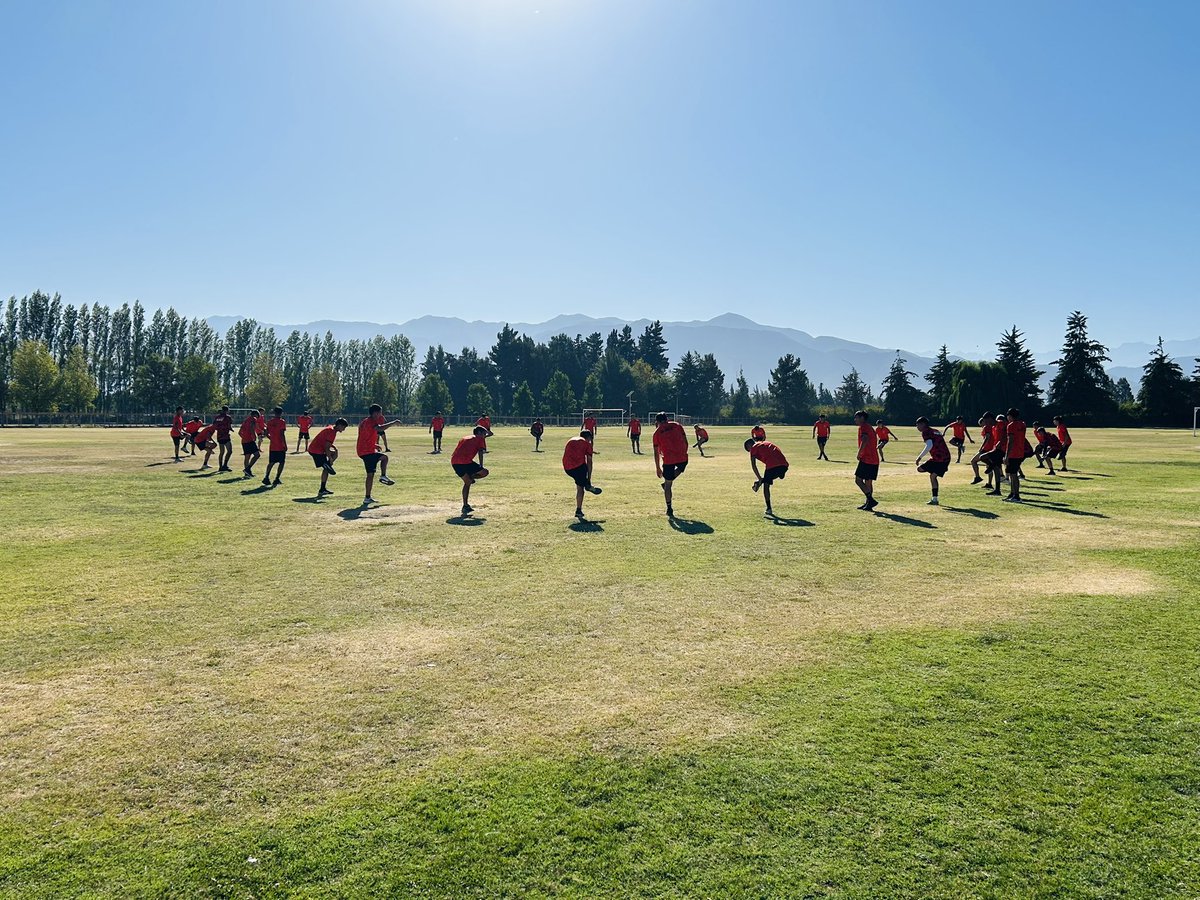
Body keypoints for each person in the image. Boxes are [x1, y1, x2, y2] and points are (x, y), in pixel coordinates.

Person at [358, 404, 402, 504]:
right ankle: (382, 477)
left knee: (373, 471)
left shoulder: (364, 421)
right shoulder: (371, 421)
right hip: (367, 452)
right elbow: (380, 429)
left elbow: (364, 436)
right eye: (380, 412)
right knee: (382, 460)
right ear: (375, 413)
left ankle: (367, 497)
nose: (381, 415)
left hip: (365, 450)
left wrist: (374, 445)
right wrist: (393, 422)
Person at [652, 413, 689, 518]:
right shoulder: (677, 425)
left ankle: (669, 508)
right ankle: (668, 481)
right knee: (682, 466)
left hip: (668, 459)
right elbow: (685, 441)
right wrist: (685, 451)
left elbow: (656, 452)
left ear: (657, 422)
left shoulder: (657, 433)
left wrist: (658, 467)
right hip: (682, 456)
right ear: (667, 419)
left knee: (668, 485)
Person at [563, 430, 603, 519]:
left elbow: (575, 450)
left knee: (579, 482)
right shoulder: (587, 444)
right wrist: (589, 478)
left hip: (567, 468)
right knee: (580, 489)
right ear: (588, 438)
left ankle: (586, 484)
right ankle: (579, 509)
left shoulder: (571, 440)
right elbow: (589, 462)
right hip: (579, 467)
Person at [452, 426, 490, 516]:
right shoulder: (480, 438)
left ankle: (465, 505)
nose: (485, 435)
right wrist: (481, 465)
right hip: (466, 462)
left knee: (468, 482)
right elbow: (480, 452)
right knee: (485, 472)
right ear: (480, 433)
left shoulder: (464, 438)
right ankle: (471, 477)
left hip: (455, 462)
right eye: (484, 433)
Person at [745, 437, 789, 516]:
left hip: (772, 465)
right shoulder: (766, 443)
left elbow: (753, 465)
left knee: (766, 486)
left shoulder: (754, 447)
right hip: (784, 465)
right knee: (769, 477)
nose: (750, 452)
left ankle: (769, 508)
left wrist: (759, 479)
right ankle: (780, 474)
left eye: (748, 450)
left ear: (749, 446)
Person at [914, 417, 951, 505]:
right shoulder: (935, 430)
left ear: (923, 424)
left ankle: (935, 499)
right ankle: (935, 499)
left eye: (918, 424)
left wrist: (919, 457)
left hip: (939, 459)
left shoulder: (926, 432)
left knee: (920, 469)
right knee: (933, 476)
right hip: (945, 458)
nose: (917, 427)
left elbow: (929, 445)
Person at [308, 418, 348, 496]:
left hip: (316, 449)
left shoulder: (331, 428)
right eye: (343, 427)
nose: (344, 429)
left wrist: (333, 450)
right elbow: (326, 447)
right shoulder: (332, 432)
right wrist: (330, 458)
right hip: (316, 451)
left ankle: (323, 488)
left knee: (335, 454)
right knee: (330, 460)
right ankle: (327, 465)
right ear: (339, 425)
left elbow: (324, 441)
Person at [854, 410, 880, 510]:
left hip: (867, 458)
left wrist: (860, 452)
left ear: (862, 418)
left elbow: (865, 439)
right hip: (874, 458)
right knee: (868, 482)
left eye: (856, 417)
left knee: (858, 480)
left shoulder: (864, 426)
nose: (855, 419)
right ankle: (869, 504)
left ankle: (870, 500)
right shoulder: (869, 426)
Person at [1002, 408, 1027, 502]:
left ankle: (1016, 495)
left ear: (1010, 416)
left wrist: (1006, 455)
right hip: (1020, 452)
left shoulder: (1011, 426)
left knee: (1013, 475)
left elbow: (1010, 441)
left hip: (1013, 453)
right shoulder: (1022, 424)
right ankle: (1012, 493)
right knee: (1013, 474)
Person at [261, 407, 288, 487]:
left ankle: (266, 477)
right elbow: (282, 434)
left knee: (271, 462)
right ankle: (277, 478)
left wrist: (271, 439)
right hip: (280, 445)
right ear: (281, 413)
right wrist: (284, 444)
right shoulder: (282, 422)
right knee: (282, 462)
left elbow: (266, 433)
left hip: (273, 446)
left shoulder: (270, 422)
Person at [238, 411, 262, 478]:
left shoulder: (245, 420)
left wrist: (244, 437)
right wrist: (254, 437)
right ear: (255, 415)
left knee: (247, 457)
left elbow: (239, 432)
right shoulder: (253, 419)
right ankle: (247, 469)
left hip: (244, 441)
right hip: (250, 440)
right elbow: (252, 428)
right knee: (257, 455)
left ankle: (247, 473)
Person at [213, 405, 234, 472]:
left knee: (222, 452)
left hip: (219, 436)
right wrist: (230, 429)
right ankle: (225, 465)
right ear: (227, 410)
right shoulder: (228, 417)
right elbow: (229, 426)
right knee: (229, 451)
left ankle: (220, 466)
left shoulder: (217, 417)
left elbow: (214, 426)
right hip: (225, 436)